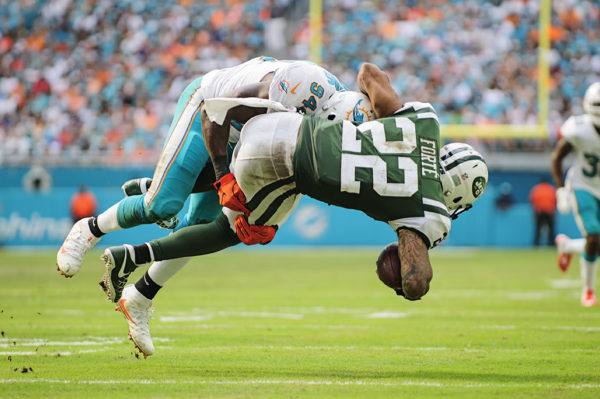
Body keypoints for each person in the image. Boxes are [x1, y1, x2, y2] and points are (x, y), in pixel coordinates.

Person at [98, 63, 488, 357]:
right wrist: (407, 280)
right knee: (231, 229)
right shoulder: (430, 211)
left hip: (279, 132)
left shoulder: (423, 122)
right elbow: (416, 281)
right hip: (290, 162)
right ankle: (130, 256)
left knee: (233, 210)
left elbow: (369, 73)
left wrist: (379, 120)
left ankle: (162, 202)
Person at [56, 57, 356, 278]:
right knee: (162, 205)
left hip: (245, 137)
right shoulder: (301, 87)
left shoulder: (340, 119)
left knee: (201, 222)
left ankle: (142, 295)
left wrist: (268, 217)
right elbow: (216, 113)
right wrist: (224, 176)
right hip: (209, 109)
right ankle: (90, 228)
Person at [551, 82, 600, 307]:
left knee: (595, 241)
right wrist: (561, 189)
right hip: (584, 186)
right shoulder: (579, 129)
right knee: (594, 237)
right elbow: (557, 158)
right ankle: (588, 291)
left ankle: (569, 247)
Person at [529, 177, 556, 247]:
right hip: (549, 212)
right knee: (551, 231)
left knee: (538, 231)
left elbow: (532, 201)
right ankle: (551, 245)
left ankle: (536, 245)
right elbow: (555, 201)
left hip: (540, 212)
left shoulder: (536, 189)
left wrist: (535, 214)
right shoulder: (551, 189)